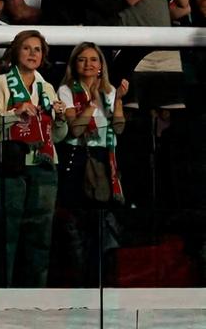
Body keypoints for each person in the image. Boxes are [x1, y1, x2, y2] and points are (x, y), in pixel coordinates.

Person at [0, 30, 68, 287]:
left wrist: (60, 119)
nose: (32, 54)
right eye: (26, 48)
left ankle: (35, 297)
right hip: (9, 168)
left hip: (44, 166)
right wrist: (16, 114)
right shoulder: (0, 83)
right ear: (16, 52)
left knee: (40, 238)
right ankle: (1, 295)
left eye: (37, 49)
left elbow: (58, 136)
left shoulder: (47, 88)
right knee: (6, 236)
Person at [53, 42, 128, 286]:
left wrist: (117, 102)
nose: (88, 64)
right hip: (77, 158)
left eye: (93, 59)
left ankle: (101, 281)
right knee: (77, 224)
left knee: (102, 224)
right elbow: (75, 128)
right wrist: (92, 104)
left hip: (104, 160)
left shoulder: (110, 90)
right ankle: (79, 282)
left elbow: (118, 127)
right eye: (82, 59)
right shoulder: (66, 90)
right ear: (74, 64)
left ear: (100, 66)